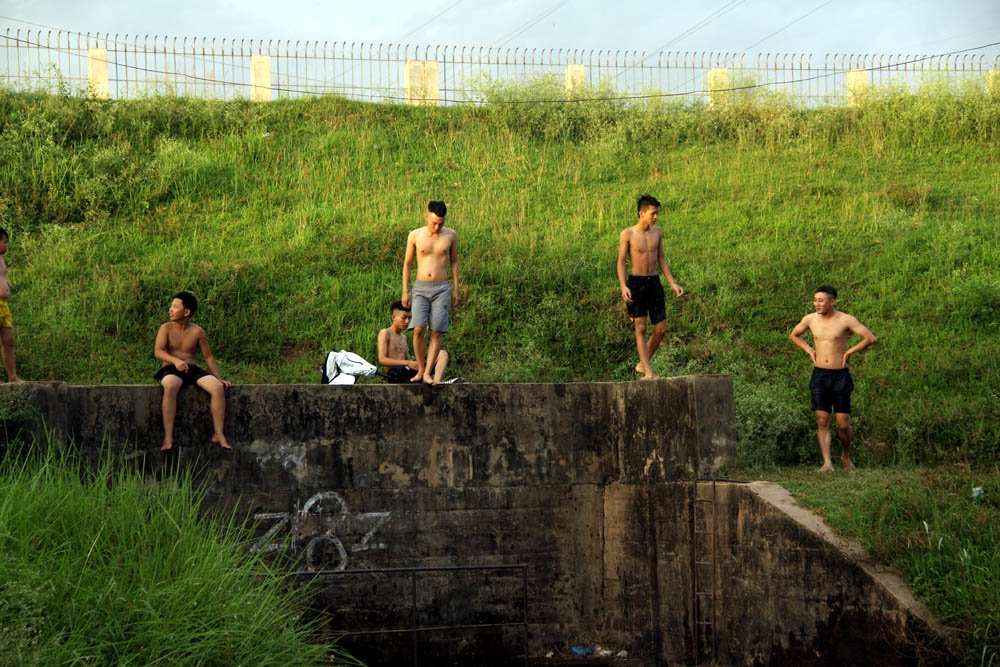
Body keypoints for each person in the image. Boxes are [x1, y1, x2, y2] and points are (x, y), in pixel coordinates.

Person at [789, 285, 877, 472]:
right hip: (820, 375)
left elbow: (869, 338)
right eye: (815, 300)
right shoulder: (810, 319)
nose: (817, 304)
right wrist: (809, 350)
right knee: (822, 419)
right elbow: (794, 335)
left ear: (832, 301)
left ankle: (845, 455)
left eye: (821, 300)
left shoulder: (845, 319)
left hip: (840, 376)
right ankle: (827, 462)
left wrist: (849, 352)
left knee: (842, 423)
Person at [154, 290, 232, 451]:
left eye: (175, 307)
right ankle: (168, 438)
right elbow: (158, 351)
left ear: (186, 312)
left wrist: (218, 378)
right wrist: (175, 361)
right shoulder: (166, 328)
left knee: (217, 388)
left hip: (192, 369)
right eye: (171, 306)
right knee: (170, 385)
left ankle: (219, 434)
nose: (170, 309)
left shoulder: (198, 331)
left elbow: (208, 356)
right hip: (171, 369)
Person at [616, 195, 684, 380]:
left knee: (661, 329)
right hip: (636, 283)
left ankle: (642, 364)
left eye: (657, 213)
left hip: (653, 282)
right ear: (642, 213)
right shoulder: (628, 234)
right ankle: (648, 371)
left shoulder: (658, 233)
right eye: (653, 213)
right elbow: (621, 262)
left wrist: (672, 283)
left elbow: (661, 258)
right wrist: (623, 286)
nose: (656, 217)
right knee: (641, 327)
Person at [401, 200, 459, 386]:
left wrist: (456, 289)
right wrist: (405, 290)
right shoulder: (415, 235)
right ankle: (420, 368)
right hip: (420, 287)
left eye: (441, 223)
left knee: (436, 332)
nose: (437, 226)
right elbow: (408, 263)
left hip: (441, 288)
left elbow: (454, 263)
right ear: (426, 215)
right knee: (417, 329)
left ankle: (427, 373)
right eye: (434, 222)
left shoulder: (450, 235)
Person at [377, 300, 450, 385]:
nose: (407, 321)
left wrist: (426, 366)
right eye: (404, 318)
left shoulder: (403, 337)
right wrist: (407, 363)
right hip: (395, 373)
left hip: (407, 370)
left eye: (409, 318)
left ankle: (436, 381)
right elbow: (382, 360)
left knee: (442, 354)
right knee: (420, 384)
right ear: (393, 317)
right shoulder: (385, 333)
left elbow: (408, 361)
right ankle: (425, 382)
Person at [0, 227, 20, 383]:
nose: (7, 246)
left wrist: (7, 284)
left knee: (9, 340)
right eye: (4, 242)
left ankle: (13, 377)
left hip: (4, 305)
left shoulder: (2, 259)